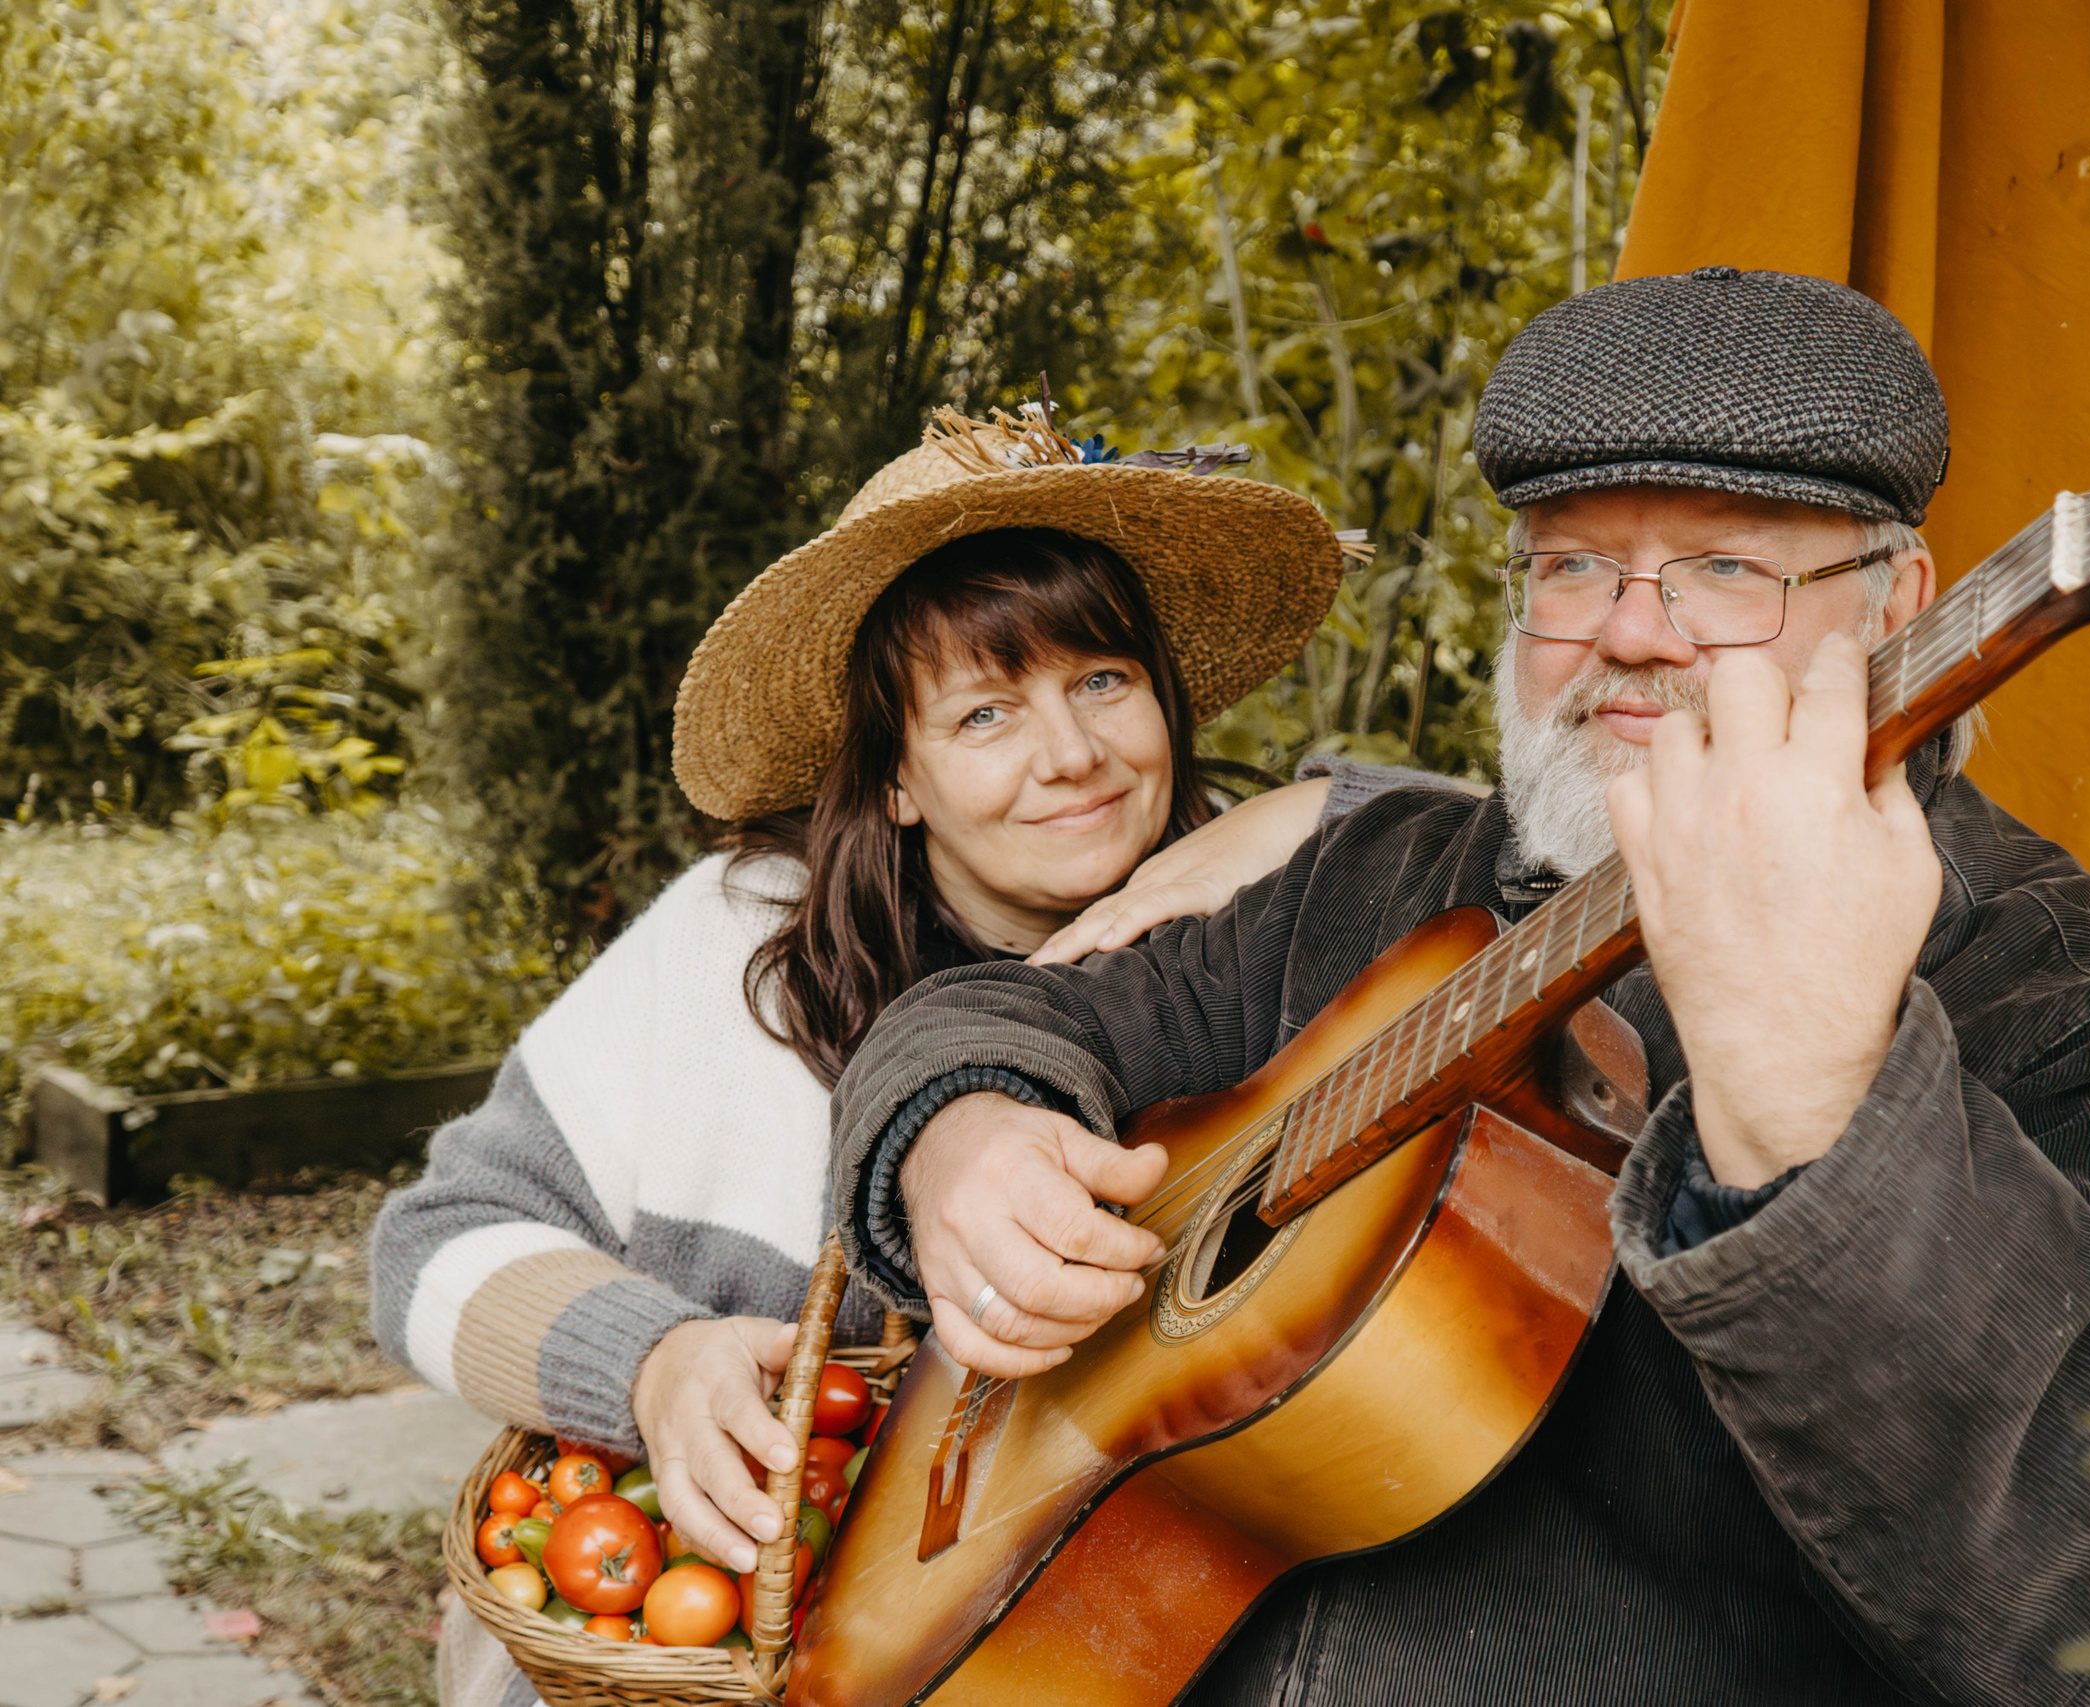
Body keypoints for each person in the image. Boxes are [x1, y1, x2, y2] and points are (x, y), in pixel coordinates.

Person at [830, 272, 2090, 1704]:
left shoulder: (2050, 988)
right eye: (1573, 566)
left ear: (1897, 602)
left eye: (1726, 568)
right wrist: (963, 1134)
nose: (1630, 629)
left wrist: (1825, 1113)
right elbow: (1009, 1014)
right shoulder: (1383, 869)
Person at [369, 408, 1447, 1707]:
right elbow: (434, 1242)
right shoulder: (737, 945)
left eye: (1104, 682)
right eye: (986, 714)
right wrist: (650, 1362)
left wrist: (1311, 807)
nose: (1073, 755)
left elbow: (1547, 858)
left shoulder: (1258, 928)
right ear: (893, 780)